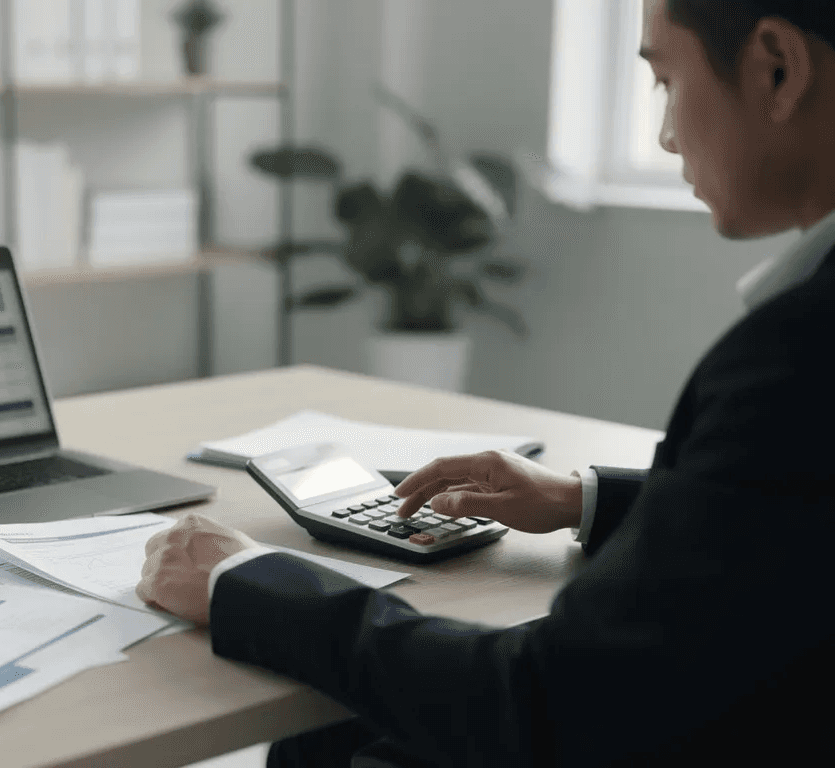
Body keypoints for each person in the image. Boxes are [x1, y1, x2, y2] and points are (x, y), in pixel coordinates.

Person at [135, 1, 835, 765]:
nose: (666, 134)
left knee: (329, 743)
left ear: (777, 68)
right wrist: (585, 501)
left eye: (666, 80)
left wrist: (250, 579)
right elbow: (789, 520)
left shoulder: (794, 357)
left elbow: (547, 706)